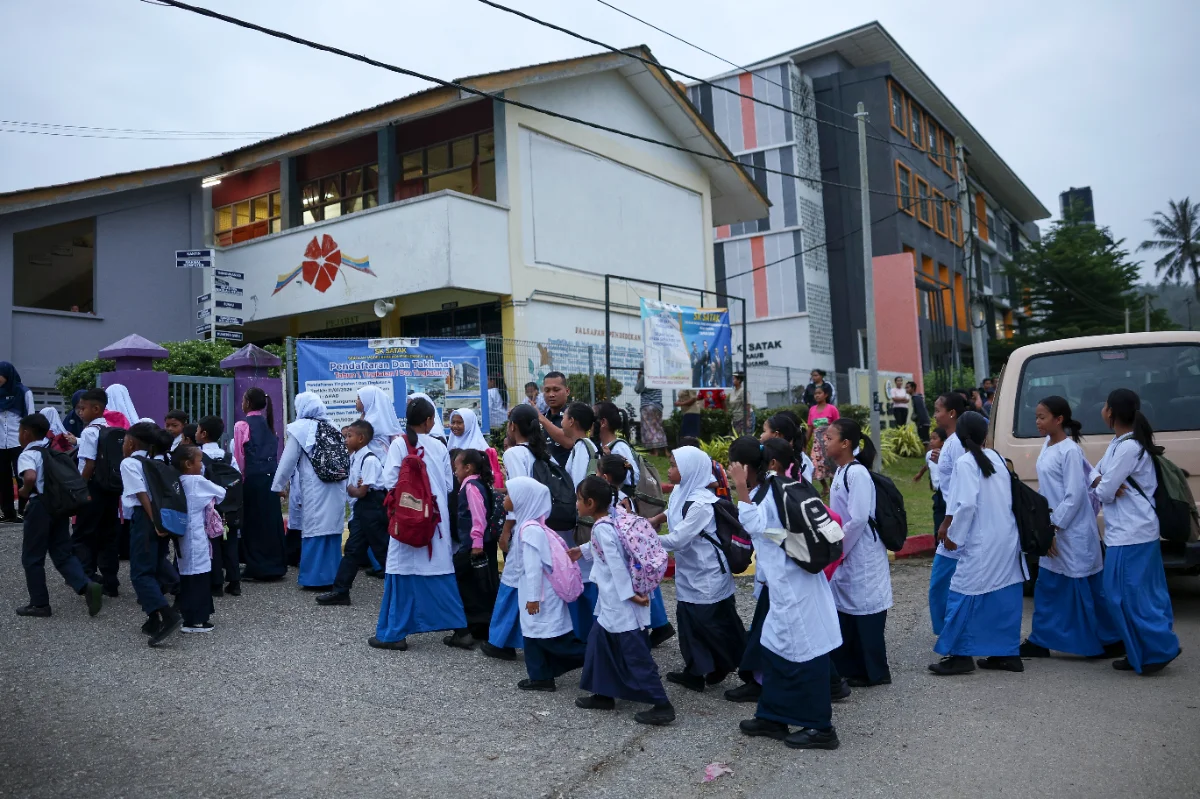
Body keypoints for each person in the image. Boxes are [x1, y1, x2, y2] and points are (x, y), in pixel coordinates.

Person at [728, 436, 843, 750]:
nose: (729, 470)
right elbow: (771, 532)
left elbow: (752, 524)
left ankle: (821, 728)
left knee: (807, 653)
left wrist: (739, 487)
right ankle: (772, 715)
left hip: (796, 589)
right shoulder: (776, 487)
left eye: (733, 465)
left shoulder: (767, 494)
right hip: (789, 585)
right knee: (774, 647)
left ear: (746, 467)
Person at [1020, 397, 1123, 660]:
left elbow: (1075, 495)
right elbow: (1049, 489)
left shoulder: (1070, 451)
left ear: (1059, 419)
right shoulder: (1048, 445)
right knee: (1050, 586)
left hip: (1072, 531)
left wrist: (1053, 527)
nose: (1037, 422)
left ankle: (1105, 640)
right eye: (1037, 417)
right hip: (1055, 526)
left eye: (1042, 417)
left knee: (1083, 587)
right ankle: (1041, 640)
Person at [1090, 389, 1182, 675]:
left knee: (1132, 596)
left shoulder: (1129, 448)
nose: (1102, 410)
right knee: (1124, 594)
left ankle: (1158, 649)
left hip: (1134, 533)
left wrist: (1103, 483)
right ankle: (1139, 650)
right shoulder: (1118, 443)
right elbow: (1095, 475)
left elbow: (1103, 489)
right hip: (1125, 532)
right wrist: (1102, 482)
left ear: (1112, 412)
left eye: (1105, 406)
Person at [571, 475, 675, 725]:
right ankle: (603, 694)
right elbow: (609, 546)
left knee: (635, 654)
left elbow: (616, 564)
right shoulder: (613, 517)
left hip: (621, 602)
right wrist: (582, 551)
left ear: (590, 503)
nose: (576, 504)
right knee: (599, 644)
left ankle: (662, 704)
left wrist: (631, 596)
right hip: (612, 603)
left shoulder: (601, 528)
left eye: (578, 499)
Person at [929, 411, 1028, 675]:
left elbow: (967, 504)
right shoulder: (995, 457)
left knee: (961, 592)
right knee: (1003, 595)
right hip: (1006, 538)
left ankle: (961, 656)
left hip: (981, 541)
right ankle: (1007, 653)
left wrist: (953, 537)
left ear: (959, 436)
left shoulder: (965, 462)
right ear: (985, 434)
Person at [372, 397, 467, 650]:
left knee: (402, 573)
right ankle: (460, 629)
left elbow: (389, 481)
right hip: (435, 522)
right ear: (428, 421)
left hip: (408, 519)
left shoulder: (399, 445)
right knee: (440, 574)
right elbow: (448, 486)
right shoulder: (439, 446)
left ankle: (394, 634)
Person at [657, 445, 746, 692]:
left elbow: (678, 540)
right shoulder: (681, 492)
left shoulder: (702, 504)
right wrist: (656, 519)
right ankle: (695, 671)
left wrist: (643, 538)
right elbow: (672, 509)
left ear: (690, 470)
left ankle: (733, 665)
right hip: (691, 572)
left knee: (712, 625)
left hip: (707, 575)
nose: (671, 469)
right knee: (688, 623)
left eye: (674, 465)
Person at [13, 413, 104, 618]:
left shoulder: (28, 454)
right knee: (62, 552)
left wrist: (25, 491)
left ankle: (39, 604)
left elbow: (30, 476)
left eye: (20, 431)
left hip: (39, 507)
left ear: (26, 433)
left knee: (32, 556)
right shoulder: (51, 450)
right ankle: (85, 585)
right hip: (59, 507)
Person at [825, 419, 892, 687]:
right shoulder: (841, 472)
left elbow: (859, 517)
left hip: (861, 549)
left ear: (846, 443)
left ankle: (875, 672)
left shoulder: (857, 473)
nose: (824, 441)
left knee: (866, 609)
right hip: (848, 548)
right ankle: (851, 668)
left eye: (830, 438)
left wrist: (839, 547)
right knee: (848, 607)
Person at [505, 476, 586, 691]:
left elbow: (533, 569)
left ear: (523, 499)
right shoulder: (528, 526)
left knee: (551, 638)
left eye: (509, 494)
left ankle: (596, 657)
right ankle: (540, 676)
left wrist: (532, 598)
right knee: (533, 635)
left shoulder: (530, 530)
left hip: (540, 594)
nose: (505, 498)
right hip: (535, 593)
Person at [481, 404, 545, 660]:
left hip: (522, 525)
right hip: (541, 522)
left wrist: (506, 529)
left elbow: (516, 494)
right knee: (529, 580)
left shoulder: (514, 454)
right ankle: (513, 636)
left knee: (511, 580)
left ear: (513, 427)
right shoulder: (541, 452)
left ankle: (500, 640)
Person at [596, 454, 675, 648]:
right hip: (633, 567)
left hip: (624, 572)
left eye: (597, 472)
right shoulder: (626, 499)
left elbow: (614, 546)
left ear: (605, 477)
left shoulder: (612, 504)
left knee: (629, 624)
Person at [273, 392, 345, 590]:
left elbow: (287, 462)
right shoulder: (333, 426)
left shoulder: (300, 429)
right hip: (337, 486)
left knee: (314, 528)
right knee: (332, 527)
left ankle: (315, 578)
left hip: (316, 486)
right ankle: (333, 575)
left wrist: (278, 487)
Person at [122, 422, 184, 646]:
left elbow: (141, 495)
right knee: (157, 563)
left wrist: (154, 521)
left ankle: (166, 616)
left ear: (131, 442)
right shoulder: (156, 462)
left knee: (140, 572)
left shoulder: (129, 463)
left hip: (145, 519)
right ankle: (153, 618)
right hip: (162, 518)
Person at [317, 420, 388, 607]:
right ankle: (340, 591)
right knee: (352, 550)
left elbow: (362, 491)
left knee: (383, 550)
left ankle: (404, 591)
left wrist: (350, 488)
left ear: (362, 438)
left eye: (350, 436)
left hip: (372, 508)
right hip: (362, 510)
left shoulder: (370, 460)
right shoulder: (355, 457)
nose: (346, 439)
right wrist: (354, 488)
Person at [444, 448, 499, 647]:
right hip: (477, 544)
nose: (455, 472)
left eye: (456, 468)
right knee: (476, 585)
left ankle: (467, 629)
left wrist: (476, 543)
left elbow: (478, 517)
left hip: (473, 545)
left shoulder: (470, 487)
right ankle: (479, 627)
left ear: (467, 468)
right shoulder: (477, 483)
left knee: (462, 583)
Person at [232, 387, 287, 584]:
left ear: (246, 403)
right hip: (270, 478)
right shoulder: (269, 424)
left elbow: (240, 459)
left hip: (252, 479)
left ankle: (257, 566)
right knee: (270, 521)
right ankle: (276, 564)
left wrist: (240, 481)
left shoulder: (242, 426)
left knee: (253, 522)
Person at [70, 388, 121, 597]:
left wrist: (80, 489)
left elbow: (88, 464)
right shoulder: (111, 429)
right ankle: (111, 582)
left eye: (83, 408)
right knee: (108, 535)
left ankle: (87, 578)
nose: (80, 412)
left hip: (92, 489)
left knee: (83, 535)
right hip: (110, 490)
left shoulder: (90, 432)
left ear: (96, 408)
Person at [172, 444, 225, 634]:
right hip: (197, 534)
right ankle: (196, 621)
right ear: (188, 464)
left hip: (182, 533)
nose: (202, 465)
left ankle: (189, 615)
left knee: (187, 575)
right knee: (200, 575)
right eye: (200, 461)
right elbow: (221, 492)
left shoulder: (177, 481)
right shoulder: (196, 481)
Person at [930, 392, 968, 635]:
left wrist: (949, 521)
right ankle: (952, 631)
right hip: (953, 516)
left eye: (938, 410)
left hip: (955, 520)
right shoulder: (952, 443)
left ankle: (952, 633)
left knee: (942, 583)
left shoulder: (957, 443)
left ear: (952, 413)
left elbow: (962, 485)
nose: (935, 415)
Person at [195, 416, 240, 598]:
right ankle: (235, 582)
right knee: (230, 543)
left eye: (197, 430)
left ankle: (216, 584)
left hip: (211, 508)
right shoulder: (229, 457)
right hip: (230, 508)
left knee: (213, 544)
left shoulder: (200, 458)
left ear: (203, 434)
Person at [0, 362, 34, 523]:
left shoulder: (23, 392)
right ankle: (7, 512)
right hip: (0, 442)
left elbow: (31, 417)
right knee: (3, 478)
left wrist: (31, 442)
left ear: (7, 375)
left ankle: (23, 509)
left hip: (19, 442)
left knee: (21, 475)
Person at [913, 428, 947, 537]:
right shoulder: (929, 455)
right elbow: (928, 465)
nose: (931, 441)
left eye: (935, 438)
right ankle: (938, 540)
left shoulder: (946, 455)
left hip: (946, 491)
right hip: (937, 493)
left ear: (943, 442)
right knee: (938, 517)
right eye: (930, 438)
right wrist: (920, 474)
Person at [761, 414, 814, 483]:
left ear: (776, 434)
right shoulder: (767, 454)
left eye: (764, 431)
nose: (761, 435)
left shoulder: (800, 460)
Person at [536, 371, 572, 467]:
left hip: (568, 479)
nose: (551, 394)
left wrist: (542, 420)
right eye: (547, 390)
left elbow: (568, 442)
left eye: (556, 390)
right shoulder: (541, 418)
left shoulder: (573, 417)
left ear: (567, 391)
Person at [807, 385, 839, 490]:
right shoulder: (812, 410)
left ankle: (833, 486)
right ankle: (825, 487)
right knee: (816, 464)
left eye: (819, 393)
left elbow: (837, 425)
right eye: (815, 394)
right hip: (817, 444)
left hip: (829, 442)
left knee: (831, 464)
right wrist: (805, 443)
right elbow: (810, 428)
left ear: (825, 395)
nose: (817, 396)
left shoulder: (832, 409)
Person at [356, 385, 401, 460]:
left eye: (359, 398)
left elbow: (357, 439)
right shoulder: (370, 418)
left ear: (367, 400)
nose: (356, 401)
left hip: (380, 462)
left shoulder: (372, 422)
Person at [634, 367, 667, 457]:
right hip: (658, 406)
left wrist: (639, 378)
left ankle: (654, 451)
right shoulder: (657, 377)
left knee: (649, 429)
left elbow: (637, 389)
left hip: (647, 406)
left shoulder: (645, 377)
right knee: (659, 427)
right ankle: (665, 451)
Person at [728, 372, 754, 437]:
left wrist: (747, 419)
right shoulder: (733, 391)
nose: (732, 380)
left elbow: (747, 405)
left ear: (739, 380)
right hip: (736, 418)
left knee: (745, 437)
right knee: (735, 437)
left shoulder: (743, 391)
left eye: (734, 379)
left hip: (743, 418)